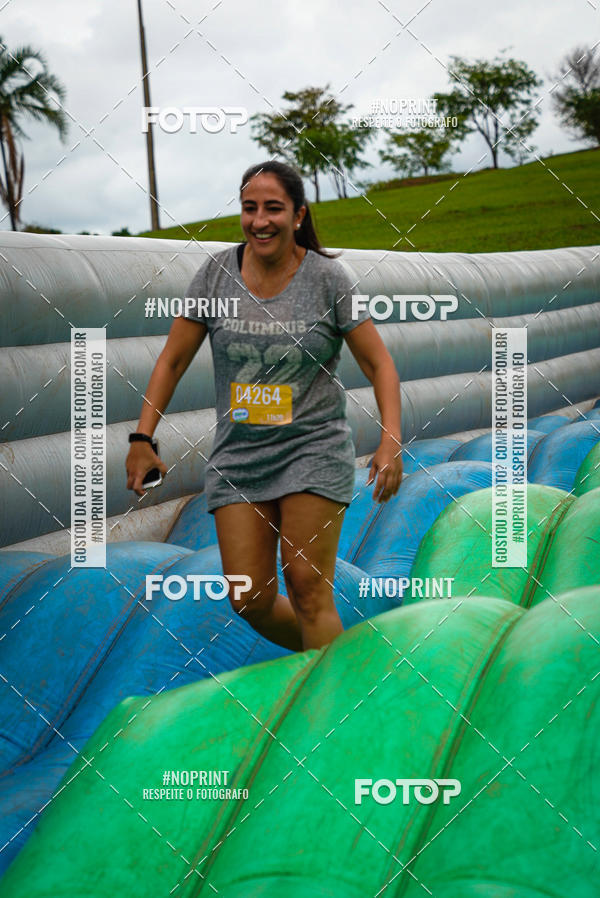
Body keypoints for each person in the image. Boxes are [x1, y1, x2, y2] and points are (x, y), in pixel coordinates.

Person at [126, 160, 402, 652]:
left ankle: (334, 709)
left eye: (273, 208)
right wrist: (142, 438)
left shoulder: (327, 280)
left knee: (306, 583)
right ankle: (344, 661)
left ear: (298, 216)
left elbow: (379, 363)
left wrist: (390, 439)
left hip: (312, 449)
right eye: (249, 208)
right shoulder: (215, 276)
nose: (259, 220)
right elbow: (171, 361)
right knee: (248, 597)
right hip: (240, 457)